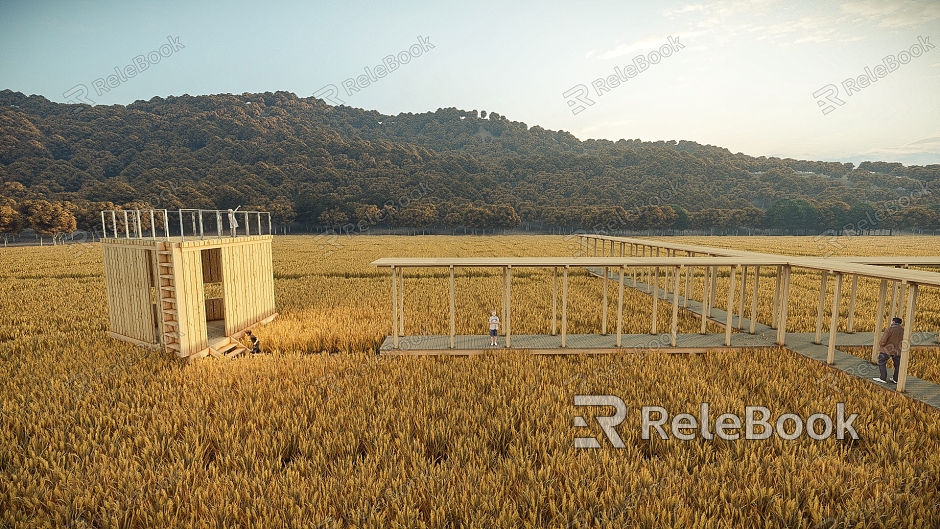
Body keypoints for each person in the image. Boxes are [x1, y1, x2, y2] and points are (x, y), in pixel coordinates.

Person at [874, 317, 903, 384]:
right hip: (898, 350)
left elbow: (883, 340)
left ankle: (883, 378)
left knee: (882, 362)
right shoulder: (903, 330)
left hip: (886, 350)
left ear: (893, 322)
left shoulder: (889, 329)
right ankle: (895, 379)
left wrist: (881, 344)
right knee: (897, 365)